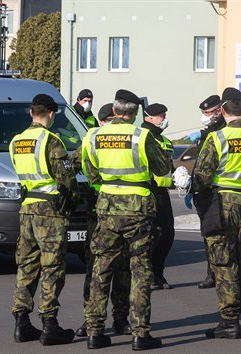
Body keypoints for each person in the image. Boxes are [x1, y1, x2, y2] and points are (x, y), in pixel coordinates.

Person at [83, 89, 171, 350]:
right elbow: (163, 168)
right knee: (140, 271)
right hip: (138, 209)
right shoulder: (141, 136)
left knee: (101, 270)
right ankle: (140, 334)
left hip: (107, 207)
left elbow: (90, 173)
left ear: (113, 111)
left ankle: (94, 332)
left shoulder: (93, 135)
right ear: (134, 114)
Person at [192, 87, 241, 339]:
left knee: (223, 260)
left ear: (223, 110)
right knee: (240, 257)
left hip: (222, 203)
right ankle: (235, 309)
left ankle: (229, 320)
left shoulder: (218, 138)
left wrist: (198, 193)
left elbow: (202, 177)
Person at [9, 93, 79, 346]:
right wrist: (72, 199)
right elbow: (66, 177)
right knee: (52, 268)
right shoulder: (50, 140)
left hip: (26, 209)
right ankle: (50, 325)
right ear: (51, 114)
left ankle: (22, 323)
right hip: (49, 212)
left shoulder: (16, 141)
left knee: (26, 267)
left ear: (31, 112)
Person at [70, 103, 132, 339]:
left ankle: (118, 319)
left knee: (116, 269)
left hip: (108, 210)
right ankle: (94, 320)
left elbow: (71, 166)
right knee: (99, 269)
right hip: (101, 212)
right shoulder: (92, 138)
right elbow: (71, 165)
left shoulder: (97, 138)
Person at [185, 94, 226, 289]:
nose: (205, 116)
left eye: (208, 112)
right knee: (208, 234)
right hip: (204, 192)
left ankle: (221, 273)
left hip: (217, 191)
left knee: (220, 236)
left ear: (219, 111)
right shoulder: (208, 131)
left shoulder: (222, 131)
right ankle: (212, 272)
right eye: (203, 113)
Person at [141, 103, 176, 290]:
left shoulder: (163, 139)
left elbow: (168, 166)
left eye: (164, 115)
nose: (164, 119)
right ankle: (148, 275)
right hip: (147, 191)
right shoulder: (144, 137)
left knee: (167, 233)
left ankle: (158, 272)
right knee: (150, 235)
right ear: (149, 117)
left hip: (162, 192)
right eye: (160, 116)